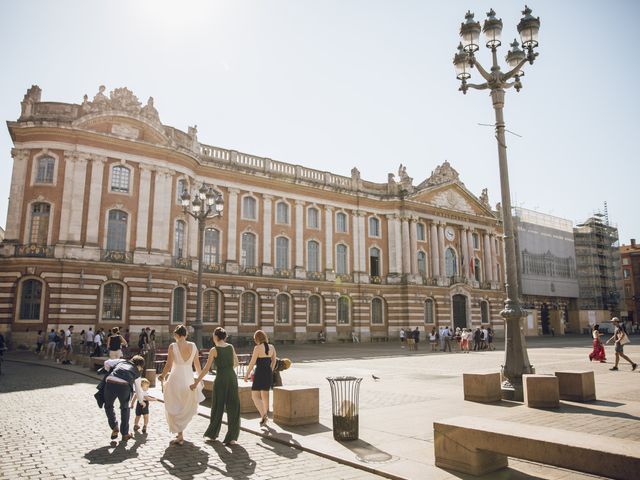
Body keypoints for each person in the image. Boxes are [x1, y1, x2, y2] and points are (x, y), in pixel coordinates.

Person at [192, 327, 240, 445]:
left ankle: (213, 434)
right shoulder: (230, 347)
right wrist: (228, 369)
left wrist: (196, 382)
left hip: (221, 378)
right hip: (232, 377)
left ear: (217, 337)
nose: (213, 337)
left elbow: (206, 369)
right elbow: (236, 363)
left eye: (214, 335)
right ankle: (232, 437)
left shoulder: (214, 349)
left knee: (218, 405)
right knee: (233, 406)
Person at [158, 324, 204, 446]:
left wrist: (162, 375)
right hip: (188, 378)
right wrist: (199, 380)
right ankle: (180, 434)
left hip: (175, 378)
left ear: (177, 335)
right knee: (185, 405)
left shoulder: (173, 346)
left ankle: (180, 435)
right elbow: (198, 365)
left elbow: (168, 365)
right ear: (186, 334)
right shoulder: (193, 346)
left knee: (174, 405)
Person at [102, 354, 148, 442]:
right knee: (125, 408)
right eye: (141, 368)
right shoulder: (137, 373)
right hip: (124, 386)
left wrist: (110, 371)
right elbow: (138, 390)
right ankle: (125, 434)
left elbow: (106, 363)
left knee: (108, 406)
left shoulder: (121, 361)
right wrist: (141, 401)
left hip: (110, 381)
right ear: (139, 366)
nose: (141, 370)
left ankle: (114, 426)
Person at [244, 330, 276, 428]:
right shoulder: (272, 347)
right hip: (268, 373)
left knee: (255, 396)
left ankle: (263, 415)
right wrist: (270, 370)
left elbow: (252, 363)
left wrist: (247, 374)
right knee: (265, 396)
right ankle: (265, 415)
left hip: (259, 373)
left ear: (257, 339)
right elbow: (274, 361)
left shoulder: (257, 348)